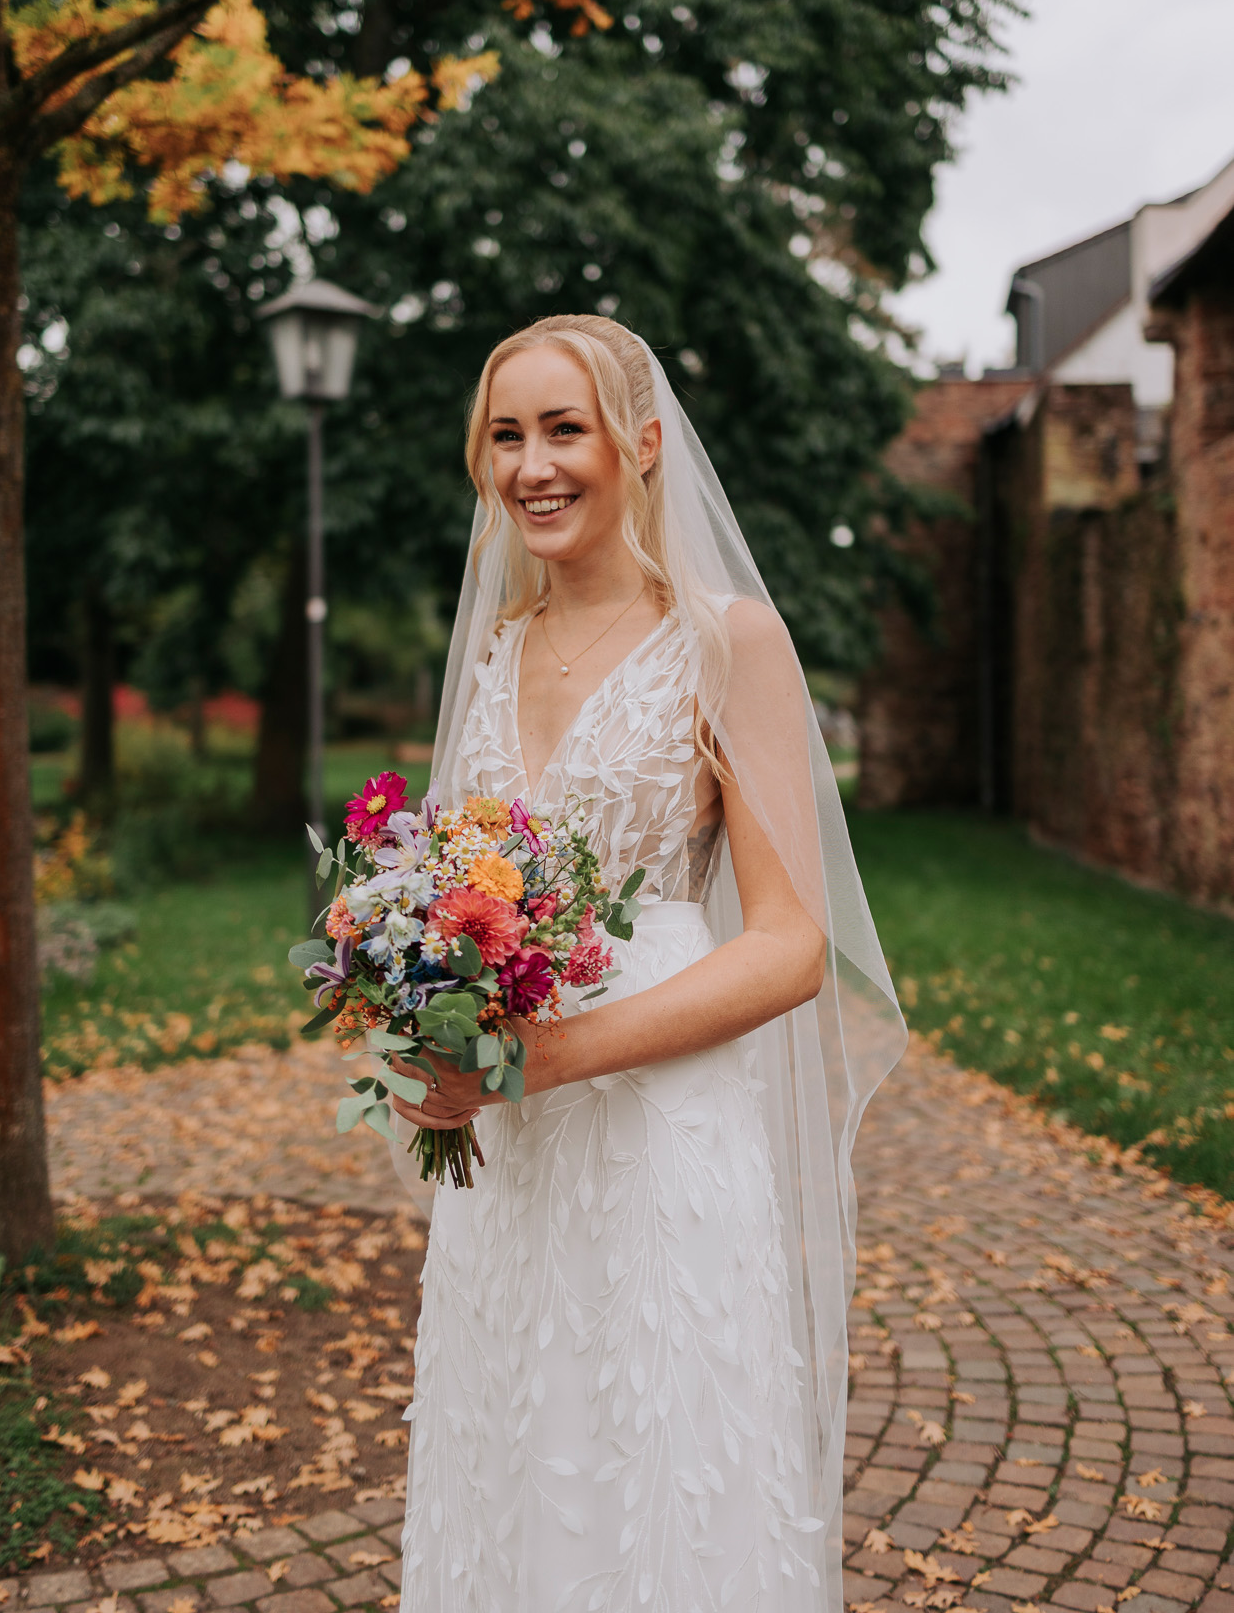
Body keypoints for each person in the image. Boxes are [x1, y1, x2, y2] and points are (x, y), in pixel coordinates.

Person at [390, 315, 905, 1613]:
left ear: (644, 443)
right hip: (508, 1162)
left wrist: (544, 1056)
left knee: (660, 1467)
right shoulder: (496, 653)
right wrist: (425, 1020)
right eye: (507, 435)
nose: (533, 466)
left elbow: (791, 947)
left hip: (660, 1131)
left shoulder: (729, 642)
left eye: (565, 429)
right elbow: (461, 903)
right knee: (514, 1451)